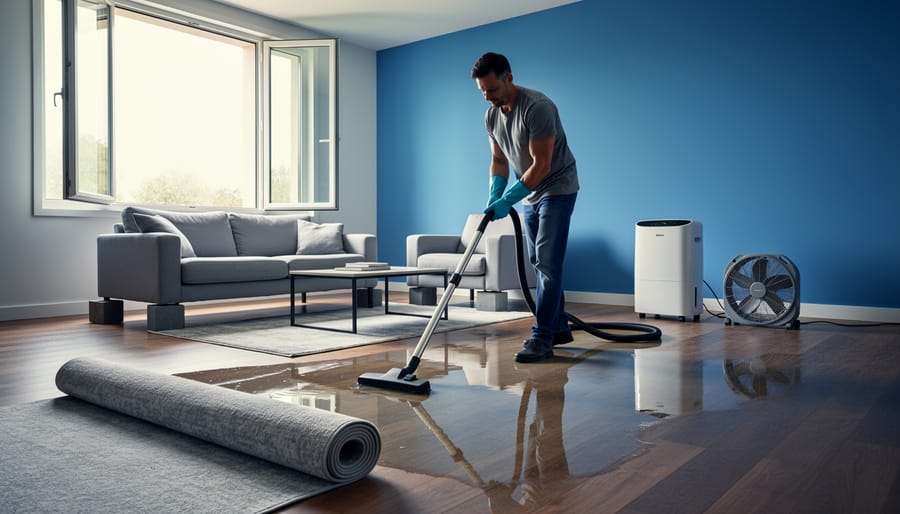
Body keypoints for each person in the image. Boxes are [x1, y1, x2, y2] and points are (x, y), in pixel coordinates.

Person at [472, 52, 579, 363]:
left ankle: (542, 337)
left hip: (557, 186)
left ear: (509, 78)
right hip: (531, 193)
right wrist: (495, 192)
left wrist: (509, 199)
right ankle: (558, 326)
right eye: (482, 91)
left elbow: (542, 165)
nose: (487, 97)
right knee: (537, 260)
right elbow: (499, 159)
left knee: (547, 261)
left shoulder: (538, 108)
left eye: (492, 89)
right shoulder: (491, 116)